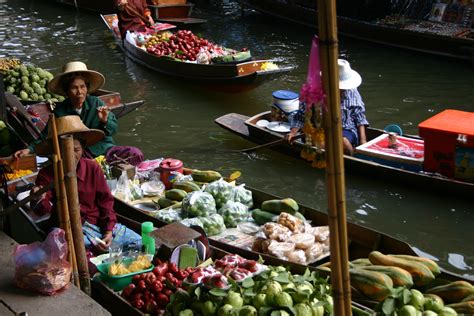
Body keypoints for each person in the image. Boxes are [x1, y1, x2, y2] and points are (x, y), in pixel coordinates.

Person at [30, 115, 141, 253]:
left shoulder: (92, 167)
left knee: (139, 243)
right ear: (56, 152)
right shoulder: (47, 174)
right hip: (66, 228)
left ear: (82, 149)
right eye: (65, 150)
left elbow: (105, 201)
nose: (71, 155)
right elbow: (42, 209)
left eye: (76, 150)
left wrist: (108, 230)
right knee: (72, 251)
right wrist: (37, 197)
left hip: (95, 224)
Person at [14, 61, 144, 166]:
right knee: (82, 166)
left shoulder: (96, 103)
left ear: (87, 88)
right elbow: (47, 136)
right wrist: (29, 149)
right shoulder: (61, 110)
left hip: (103, 149)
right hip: (79, 155)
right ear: (67, 91)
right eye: (74, 88)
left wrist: (104, 121)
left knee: (135, 153)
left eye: (82, 87)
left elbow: (112, 131)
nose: (80, 92)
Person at [286, 59, 369, 155]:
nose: (342, 91)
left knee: (343, 142)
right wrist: (293, 133)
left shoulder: (351, 91)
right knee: (322, 143)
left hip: (346, 129)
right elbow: (301, 115)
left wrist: (363, 141)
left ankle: (352, 160)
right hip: (318, 130)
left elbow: (359, 116)